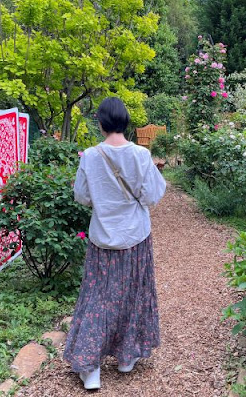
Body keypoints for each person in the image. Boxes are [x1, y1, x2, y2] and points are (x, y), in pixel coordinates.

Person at [63, 97, 167, 390]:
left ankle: (91, 367)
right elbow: (152, 197)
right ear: (125, 121)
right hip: (135, 237)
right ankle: (125, 358)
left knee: (98, 298)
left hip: (103, 239)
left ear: (101, 122)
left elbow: (82, 196)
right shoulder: (141, 155)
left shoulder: (91, 156)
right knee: (134, 293)